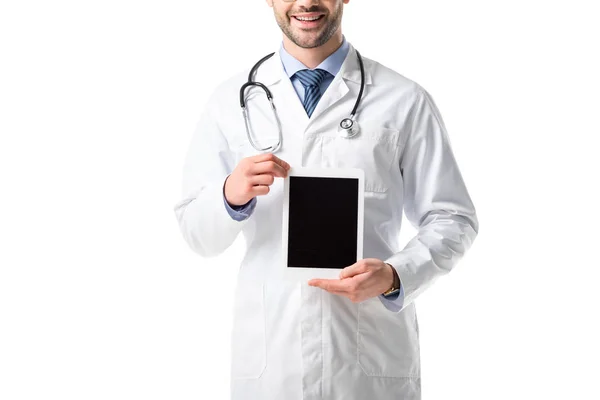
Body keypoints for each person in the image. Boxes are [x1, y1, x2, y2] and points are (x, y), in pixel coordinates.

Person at [173, 0, 479, 399]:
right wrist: (230, 196)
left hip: (366, 358)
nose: (306, 2)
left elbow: (453, 217)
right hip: (272, 360)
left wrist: (396, 275)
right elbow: (197, 235)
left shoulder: (403, 99)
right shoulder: (229, 102)